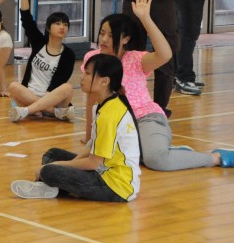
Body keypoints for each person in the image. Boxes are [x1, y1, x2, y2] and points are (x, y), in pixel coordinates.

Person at [85, 0, 234, 171]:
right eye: (102, 33)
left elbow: (165, 54)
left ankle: (217, 157)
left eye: (111, 35)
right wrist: (89, 137)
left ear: (125, 39)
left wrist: (145, 18)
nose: (104, 39)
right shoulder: (93, 58)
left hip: (145, 118)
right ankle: (174, 153)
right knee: (109, 159)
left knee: (156, 160)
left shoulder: (136, 59)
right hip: (116, 123)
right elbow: (91, 100)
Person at [11, 53, 140, 202]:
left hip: (116, 185)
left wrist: (59, 166)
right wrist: (66, 165)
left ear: (104, 81)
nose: (82, 77)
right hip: (102, 170)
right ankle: (54, 186)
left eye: (88, 73)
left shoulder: (109, 114)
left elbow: (93, 163)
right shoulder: (101, 105)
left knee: (49, 170)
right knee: (52, 154)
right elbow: (91, 146)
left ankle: (52, 185)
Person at [7, 0, 76, 122]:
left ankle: (29, 110)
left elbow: (60, 83)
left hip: (51, 98)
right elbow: (26, 18)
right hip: (30, 95)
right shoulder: (39, 42)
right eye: (58, 23)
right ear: (49, 28)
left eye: (65, 24)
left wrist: (46, 100)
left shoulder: (68, 55)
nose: (62, 27)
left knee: (67, 88)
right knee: (13, 86)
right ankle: (53, 113)